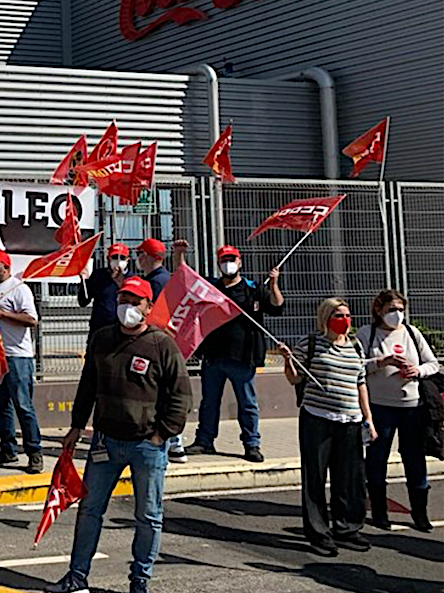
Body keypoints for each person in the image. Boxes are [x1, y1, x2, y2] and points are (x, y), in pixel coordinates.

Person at [45, 277, 191, 593]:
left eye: (135, 301)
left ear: (148, 307)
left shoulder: (162, 344)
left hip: (147, 446)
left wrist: (161, 435)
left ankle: (140, 581)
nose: (126, 306)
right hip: (104, 441)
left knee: (148, 516)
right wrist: (75, 426)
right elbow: (87, 386)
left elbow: (181, 396)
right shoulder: (101, 339)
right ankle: (77, 575)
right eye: (123, 299)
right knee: (89, 510)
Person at [277, 298, 375, 557]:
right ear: (326, 317)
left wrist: (369, 420)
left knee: (350, 478)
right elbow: (294, 378)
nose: (345, 320)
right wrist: (288, 361)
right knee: (316, 478)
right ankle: (319, 533)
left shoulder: (355, 346)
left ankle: (347, 528)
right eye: (338, 315)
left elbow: (360, 383)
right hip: (317, 419)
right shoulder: (310, 344)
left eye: (347, 315)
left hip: (350, 421)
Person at [181, 243, 284, 463]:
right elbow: (186, 282)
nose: (228, 264)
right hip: (214, 356)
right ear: (218, 264)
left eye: (231, 259)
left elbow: (276, 307)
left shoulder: (253, 289)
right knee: (209, 402)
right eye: (223, 260)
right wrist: (179, 255)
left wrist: (274, 283)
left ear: (239, 262)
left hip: (243, 357)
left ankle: (251, 444)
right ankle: (204, 441)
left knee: (247, 403)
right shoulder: (211, 288)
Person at [356, 289, 440, 532]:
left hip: (413, 407)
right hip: (380, 407)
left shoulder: (412, 333)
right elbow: (355, 365)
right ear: (379, 310)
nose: (397, 315)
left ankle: (420, 512)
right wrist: (382, 362)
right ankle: (379, 511)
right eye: (392, 310)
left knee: (414, 458)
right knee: (376, 458)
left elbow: (432, 363)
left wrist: (418, 371)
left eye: (401, 310)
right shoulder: (367, 334)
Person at [0, 249, 43, 474]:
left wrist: (2, 314)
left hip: (17, 355)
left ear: (5, 267)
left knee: (23, 405)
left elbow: (31, 319)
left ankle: (34, 451)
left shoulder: (19, 289)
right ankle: (8, 449)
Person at [135, 238, 184, 464]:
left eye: (141, 254)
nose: (138, 259)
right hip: (166, 342)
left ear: (151, 257)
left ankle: (173, 442)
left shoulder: (156, 282)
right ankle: (175, 442)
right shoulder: (164, 279)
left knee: (161, 392)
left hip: (157, 343)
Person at [78, 243, 130, 336]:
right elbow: (83, 301)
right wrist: (84, 281)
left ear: (127, 260)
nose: (118, 261)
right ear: (108, 259)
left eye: (122, 258)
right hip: (100, 328)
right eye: (114, 257)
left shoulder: (133, 279)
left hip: (123, 329)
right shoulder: (98, 276)